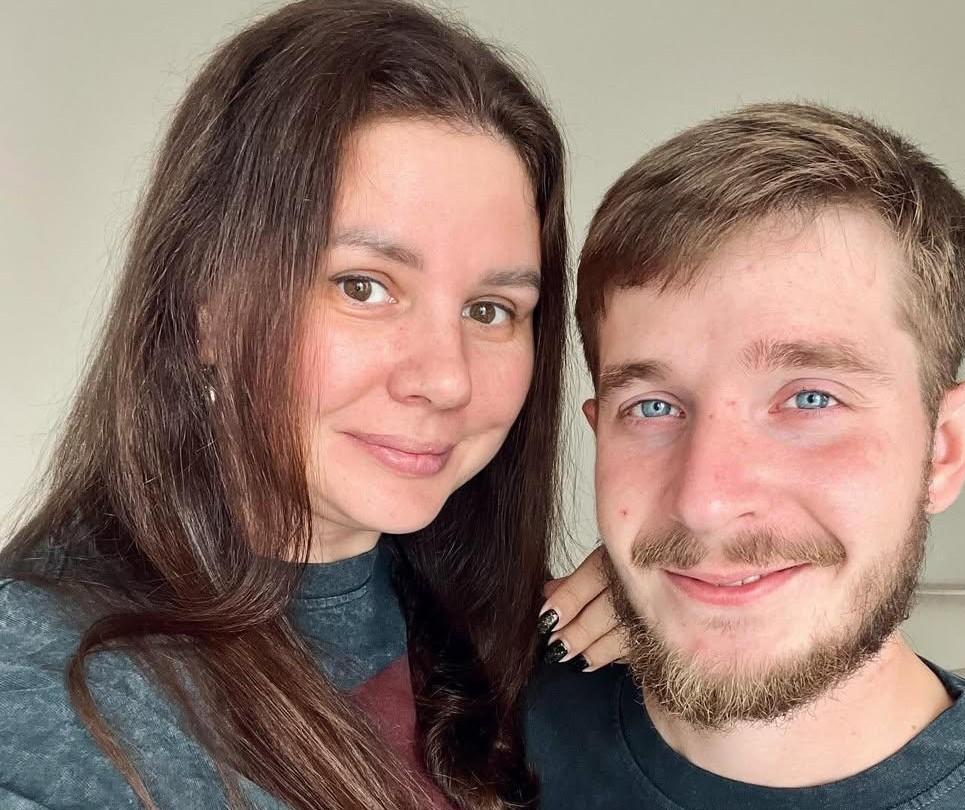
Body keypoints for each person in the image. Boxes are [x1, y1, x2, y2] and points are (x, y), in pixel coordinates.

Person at [0, 2, 619, 809]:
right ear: (206, 304)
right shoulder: (40, 705)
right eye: (363, 286)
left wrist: (689, 661)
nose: (447, 380)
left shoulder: (497, 639)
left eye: (490, 309)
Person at [526, 102, 965, 808]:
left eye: (811, 398)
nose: (705, 502)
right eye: (654, 407)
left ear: (945, 447)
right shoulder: (477, 733)